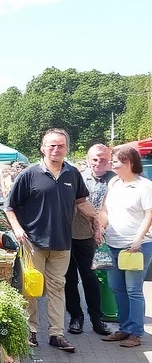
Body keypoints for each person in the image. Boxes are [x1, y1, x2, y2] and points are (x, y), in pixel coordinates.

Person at [5, 128, 100, 353]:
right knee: (31, 289)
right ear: (43, 148)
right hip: (33, 243)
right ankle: (31, 331)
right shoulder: (29, 174)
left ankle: (57, 334)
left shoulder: (72, 173)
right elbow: (9, 207)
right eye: (52, 146)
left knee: (58, 289)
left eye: (61, 146)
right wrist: (17, 229)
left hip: (62, 243)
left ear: (67, 148)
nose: (56, 150)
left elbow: (81, 202)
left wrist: (97, 218)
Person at [99, 146, 152, 348]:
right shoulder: (114, 183)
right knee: (117, 288)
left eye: (116, 162)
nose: (112, 165)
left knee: (133, 290)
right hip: (113, 244)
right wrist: (101, 226)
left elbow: (149, 214)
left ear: (128, 163)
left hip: (136, 247)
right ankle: (124, 328)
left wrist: (138, 239)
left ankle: (136, 333)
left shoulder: (145, 186)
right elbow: (105, 209)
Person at [65, 144, 113, 336]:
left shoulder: (115, 181)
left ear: (109, 160)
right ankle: (76, 317)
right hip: (69, 235)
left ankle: (96, 319)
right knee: (69, 279)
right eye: (94, 159)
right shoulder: (76, 176)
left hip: (90, 237)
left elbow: (106, 209)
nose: (98, 163)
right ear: (87, 159)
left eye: (103, 159)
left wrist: (99, 228)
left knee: (91, 279)